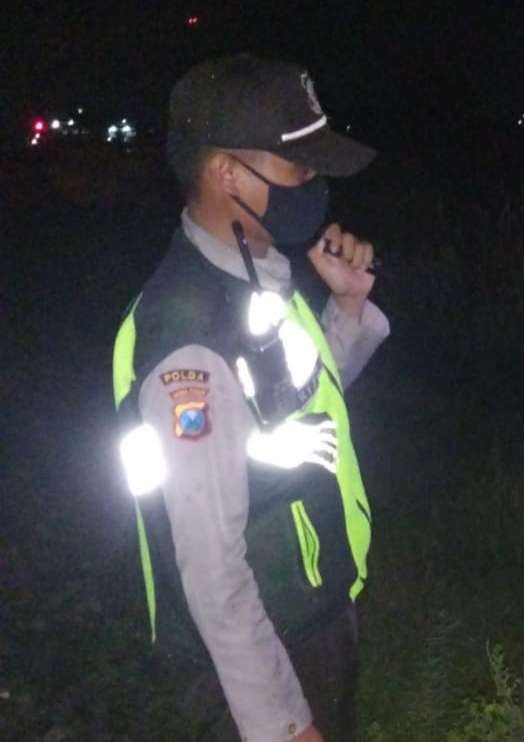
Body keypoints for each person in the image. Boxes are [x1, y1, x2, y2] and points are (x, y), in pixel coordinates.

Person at [111, 53, 389, 741]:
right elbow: (210, 570)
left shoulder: (252, 273)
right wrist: (284, 724)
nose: (314, 186)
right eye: (298, 169)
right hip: (252, 664)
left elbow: (293, 402)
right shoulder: (189, 342)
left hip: (305, 610)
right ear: (227, 173)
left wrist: (347, 310)